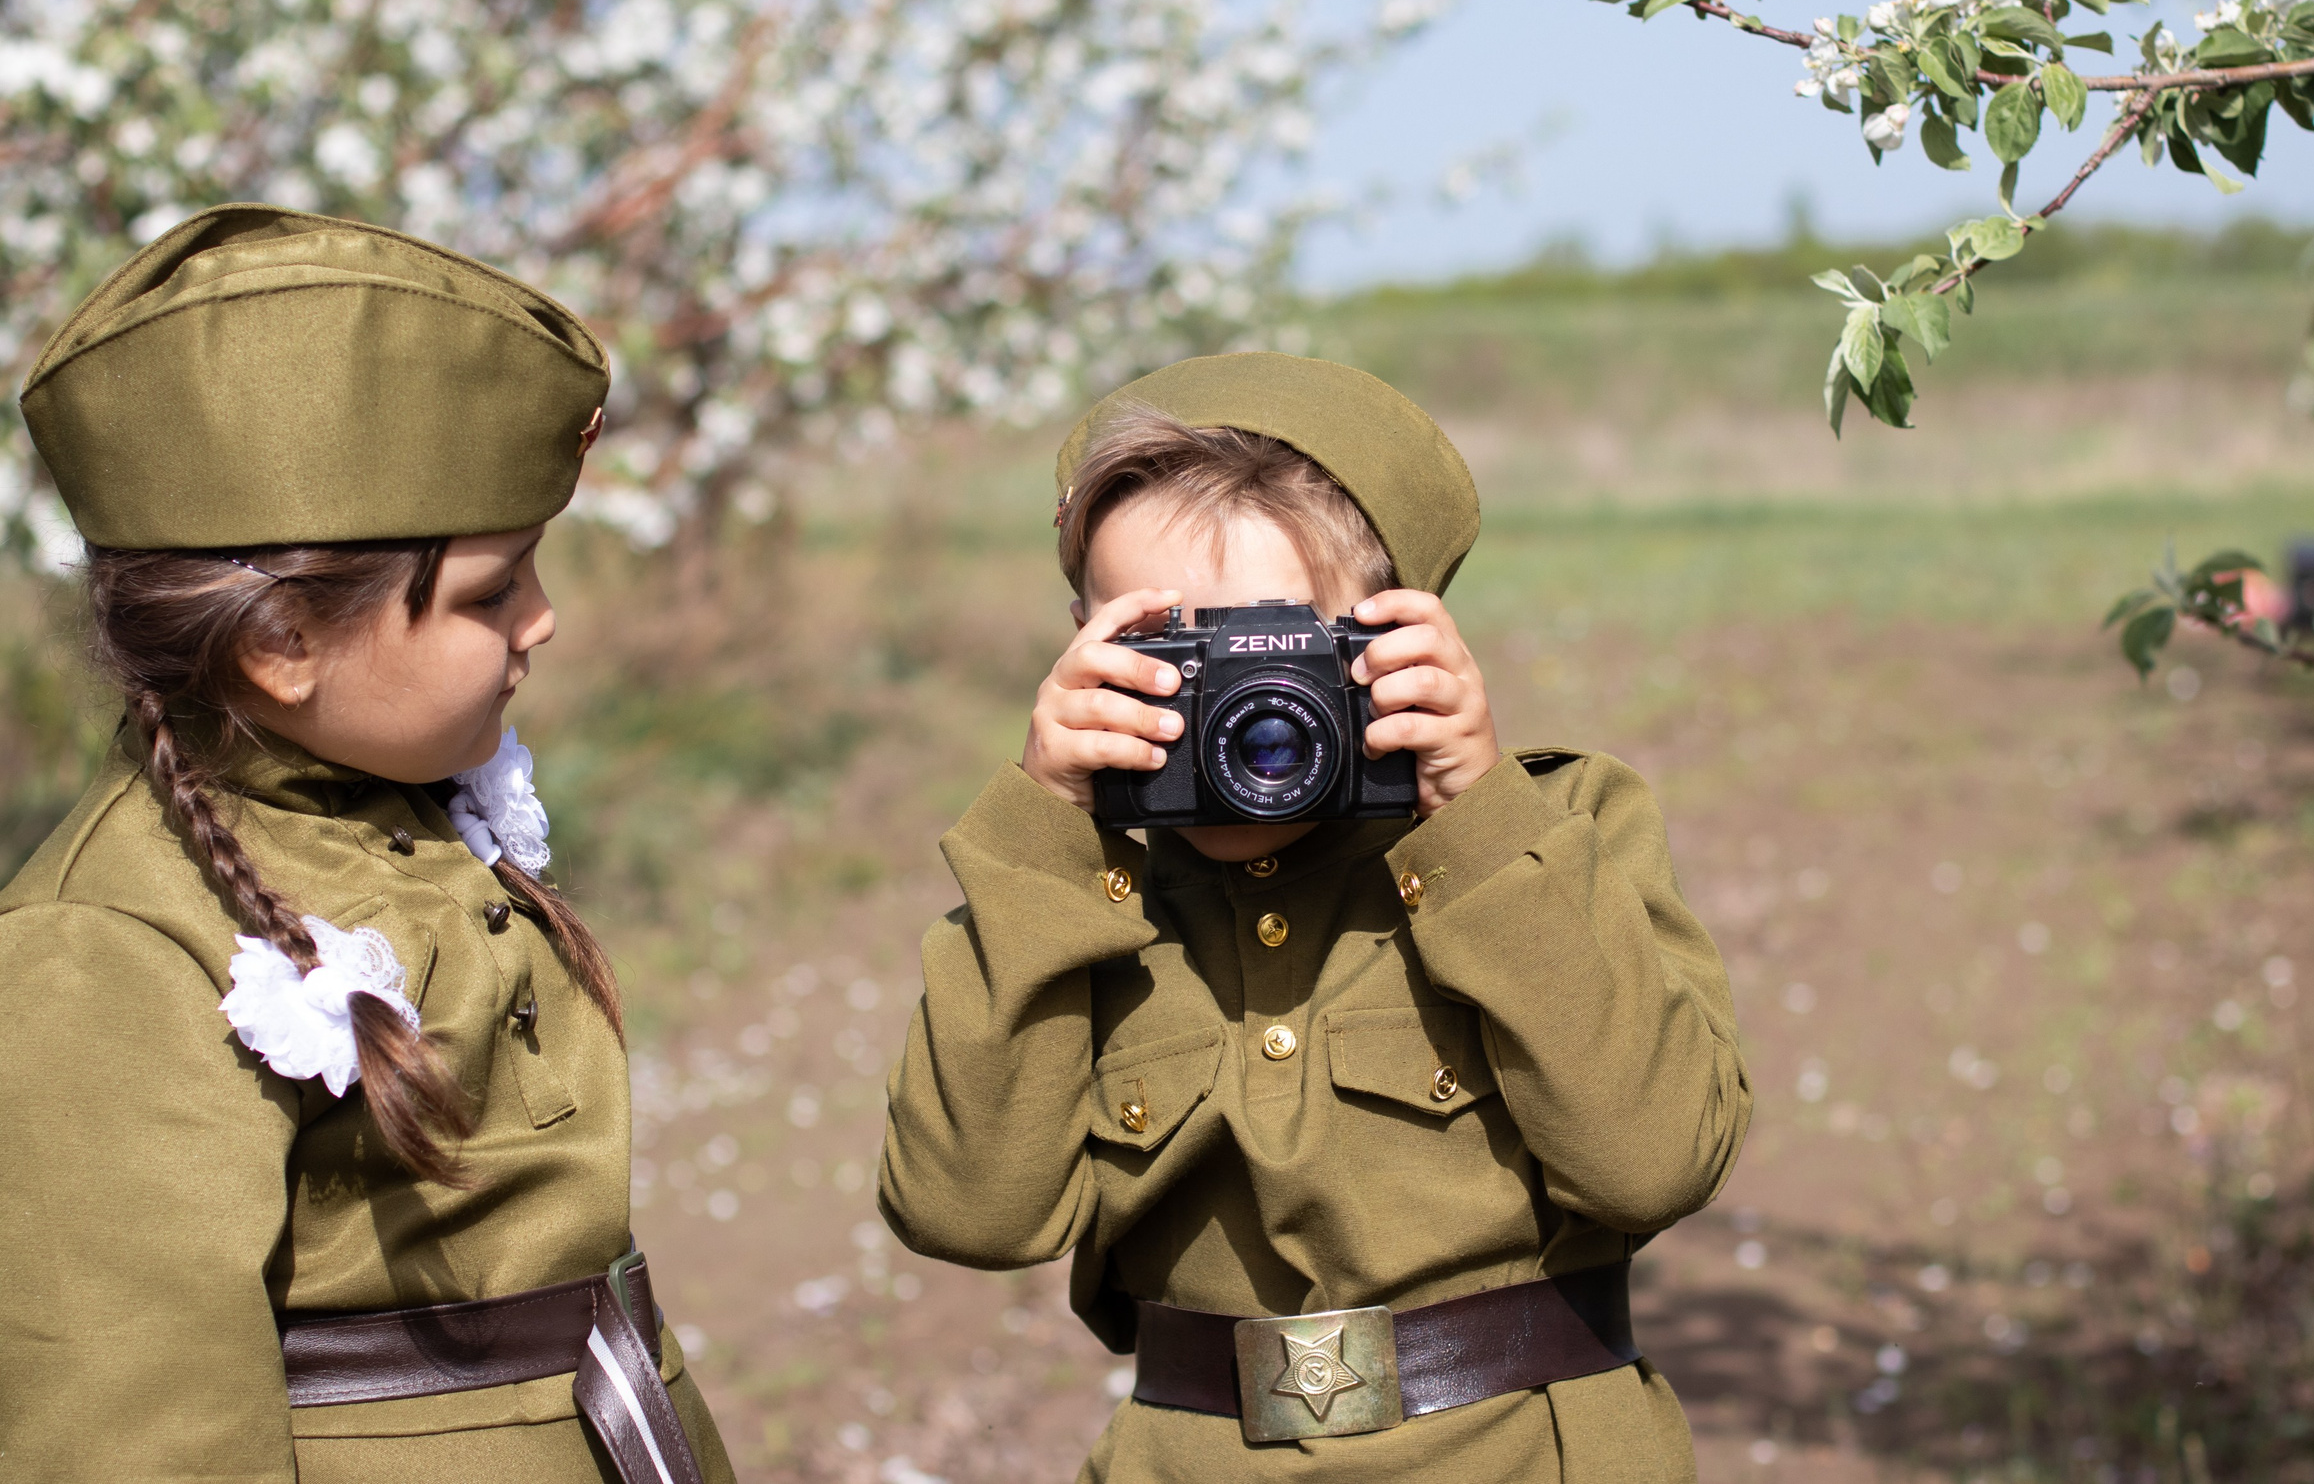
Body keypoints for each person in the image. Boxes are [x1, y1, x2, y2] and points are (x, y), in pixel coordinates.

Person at [879, 354, 1752, 1480]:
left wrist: (1480, 824)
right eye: (1172, 657)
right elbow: (967, 1215)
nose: (1240, 710)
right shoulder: (1082, 901)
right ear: (1082, 641)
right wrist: (1044, 834)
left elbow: (1658, 1164)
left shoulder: (1553, 831)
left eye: (1284, 652)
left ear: (1400, 639)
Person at [0, 205, 734, 1484]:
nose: (543, 621)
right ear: (281, 644)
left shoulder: (407, 809)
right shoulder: (106, 949)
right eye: (492, 591)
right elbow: (135, 1436)